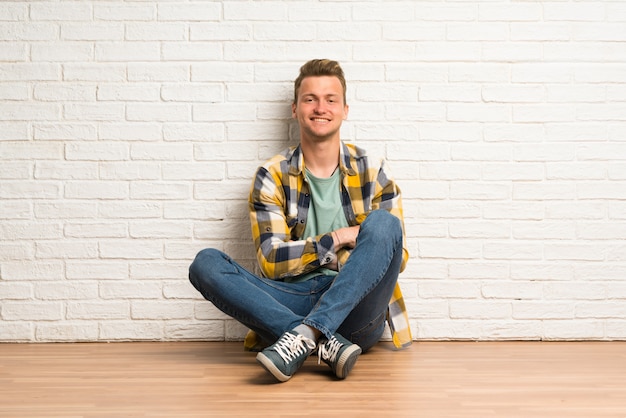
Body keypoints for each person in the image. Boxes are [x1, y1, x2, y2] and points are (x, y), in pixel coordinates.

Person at [189, 59, 412, 383]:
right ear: (295, 108)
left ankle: (304, 334)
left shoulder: (373, 170)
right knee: (205, 264)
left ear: (345, 109)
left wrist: (342, 261)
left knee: (384, 224)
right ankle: (321, 342)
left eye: (330, 99)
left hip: (355, 309)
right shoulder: (271, 175)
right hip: (290, 300)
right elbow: (271, 262)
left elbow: (395, 253)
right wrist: (337, 239)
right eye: (310, 99)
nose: (320, 107)